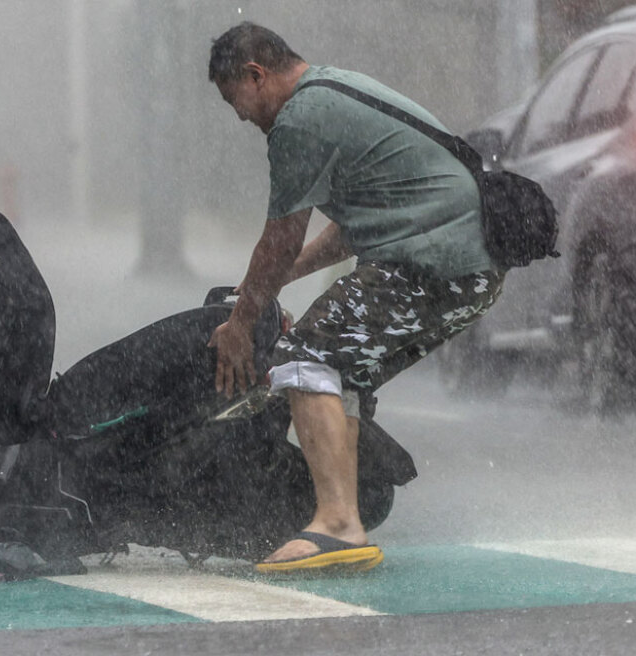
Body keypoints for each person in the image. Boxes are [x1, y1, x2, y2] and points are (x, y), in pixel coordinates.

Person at [206, 23, 504, 574]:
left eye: (235, 99)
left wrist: (242, 322)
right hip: (472, 270)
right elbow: (350, 228)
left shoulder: (299, 120)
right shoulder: (335, 90)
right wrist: (273, 283)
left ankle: (339, 524)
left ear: (256, 75)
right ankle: (345, 513)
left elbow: (281, 236)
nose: (240, 116)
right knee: (341, 368)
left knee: (304, 356)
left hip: (434, 262)